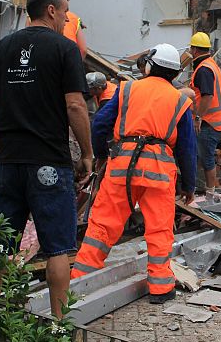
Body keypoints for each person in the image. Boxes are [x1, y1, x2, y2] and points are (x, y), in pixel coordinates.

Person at [0, 0, 93, 319]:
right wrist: (86, 153)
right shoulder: (64, 49)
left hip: (7, 162)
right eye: (65, 12)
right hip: (48, 163)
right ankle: (57, 327)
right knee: (57, 249)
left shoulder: (3, 47)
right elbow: (75, 106)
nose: (67, 18)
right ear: (51, 10)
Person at [70, 43, 196, 304]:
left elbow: (100, 124)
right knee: (159, 229)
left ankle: (80, 280)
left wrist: (102, 155)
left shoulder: (127, 89)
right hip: (160, 173)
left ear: (149, 66)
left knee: (103, 223)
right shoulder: (180, 101)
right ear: (174, 73)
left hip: (122, 169)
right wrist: (189, 185)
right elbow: (186, 148)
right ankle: (161, 288)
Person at [183, 32, 221, 197]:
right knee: (203, 155)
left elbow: (207, 96)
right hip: (217, 121)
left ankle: (210, 192)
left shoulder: (203, 69)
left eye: (191, 48)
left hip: (211, 122)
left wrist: (198, 117)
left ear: (195, 50)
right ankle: (203, 188)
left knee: (206, 157)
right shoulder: (211, 64)